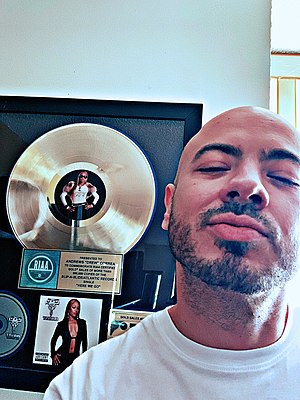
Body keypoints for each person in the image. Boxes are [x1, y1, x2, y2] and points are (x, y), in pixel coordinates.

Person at [43, 106, 300, 399]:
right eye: (214, 167)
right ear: (169, 206)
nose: (247, 185)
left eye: (284, 177)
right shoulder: (83, 388)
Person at [50, 299, 87, 370]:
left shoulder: (82, 323)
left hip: (75, 358)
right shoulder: (62, 324)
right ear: (68, 309)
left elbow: (84, 342)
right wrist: (53, 354)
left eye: (78, 308)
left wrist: (84, 358)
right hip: (62, 357)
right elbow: (53, 340)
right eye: (74, 307)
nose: (76, 310)